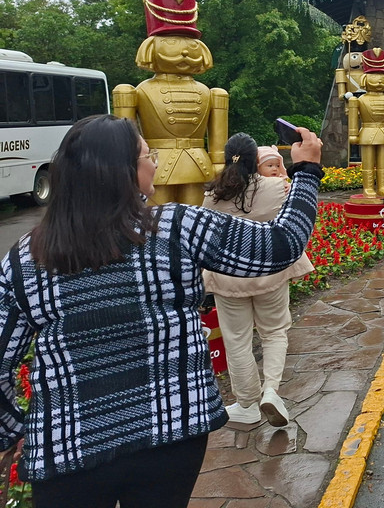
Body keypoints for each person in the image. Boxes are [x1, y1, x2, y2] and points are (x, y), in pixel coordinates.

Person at [0, 114, 322, 507]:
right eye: (147, 156)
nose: (155, 164)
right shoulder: (175, 228)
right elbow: (281, 245)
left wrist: (15, 429)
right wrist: (307, 170)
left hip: (69, 449)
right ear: (123, 172)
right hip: (171, 433)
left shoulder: (25, 258)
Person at [202, 136, 314, 428]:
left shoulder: (212, 195)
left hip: (228, 278)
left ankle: (246, 405)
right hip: (270, 273)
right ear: (255, 160)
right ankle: (272, 392)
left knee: (236, 341)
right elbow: (293, 218)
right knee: (274, 332)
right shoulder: (277, 187)